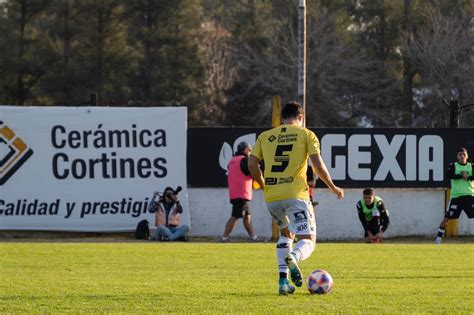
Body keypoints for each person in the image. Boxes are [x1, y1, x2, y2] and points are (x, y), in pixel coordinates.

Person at [248, 101, 344, 295]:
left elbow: (252, 164)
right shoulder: (306, 134)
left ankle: (283, 283)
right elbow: (317, 166)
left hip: (272, 197)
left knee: (285, 235)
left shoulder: (265, 136)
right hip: (296, 195)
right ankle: (293, 256)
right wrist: (332, 186)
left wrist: (264, 184)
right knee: (308, 240)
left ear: (282, 118)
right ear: (301, 117)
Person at [221, 141, 259, 242]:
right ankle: (224, 237)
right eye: (250, 150)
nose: (250, 152)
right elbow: (253, 171)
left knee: (247, 217)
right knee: (235, 216)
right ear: (246, 149)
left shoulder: (232, 161)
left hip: (235, 193)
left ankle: (254, 237)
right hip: (242, 193)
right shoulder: (244, 160)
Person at [435, 147, 474, 244]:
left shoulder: (471, 166)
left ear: (467, 156)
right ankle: (438, 239)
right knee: (447, 217)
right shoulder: (453, 165)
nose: (462, 156)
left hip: (470, 196)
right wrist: (462, 176)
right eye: (460, 154)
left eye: (464, 154)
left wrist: (468, 177)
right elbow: (449, 175)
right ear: (457, 156)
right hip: (457, 197)